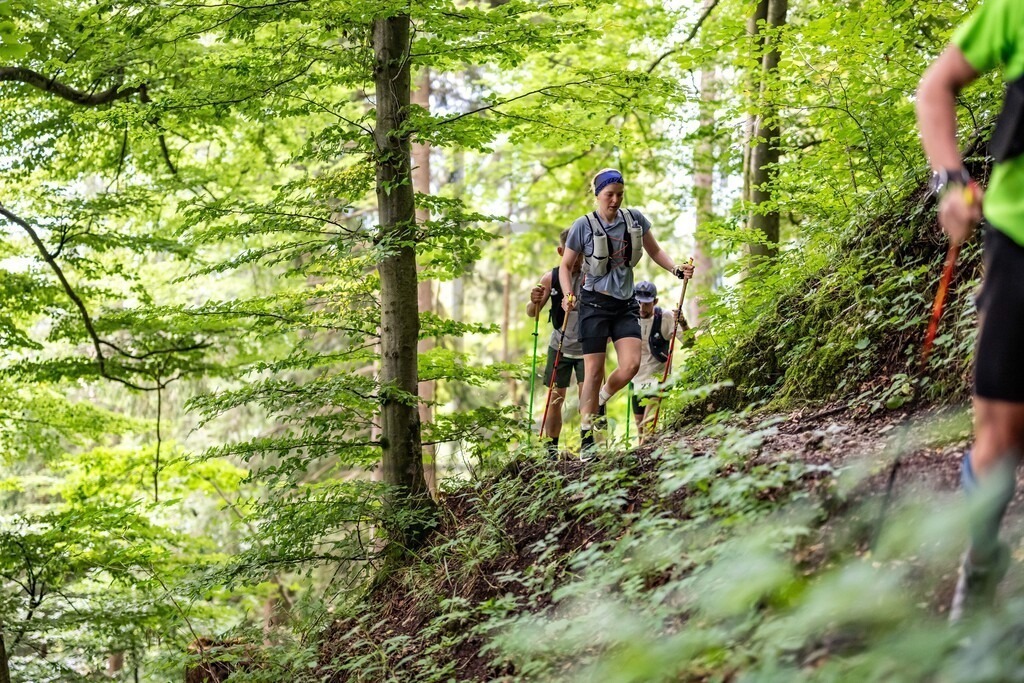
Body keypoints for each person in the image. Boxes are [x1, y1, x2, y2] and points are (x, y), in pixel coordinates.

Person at [916, 0, 1024, 621]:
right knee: (1002, 433)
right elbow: (937, 86)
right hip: (1018, 240)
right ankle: (980, 566)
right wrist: (952, 183)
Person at [560, 168, 694, 452]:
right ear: (598, 194)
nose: (615, 200)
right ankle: (587, 438)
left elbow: (655, 250)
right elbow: (565, 265)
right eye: (610, 194)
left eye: (620, 194)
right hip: (594, 304)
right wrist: (568, 294)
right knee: (593, 372)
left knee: (631, 365)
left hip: (624, 304)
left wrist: (676, 269)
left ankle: (598, 401)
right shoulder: (583, 225)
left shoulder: (634, 219)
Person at [527, 230, 586, 457]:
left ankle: (590, 448)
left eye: (581, 252)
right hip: (559, 345)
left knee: (588, 399)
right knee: (555, 398)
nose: (577, 258)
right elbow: (532, 312)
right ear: (561, 251)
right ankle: (551, 451)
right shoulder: (550, 278)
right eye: (572, 252)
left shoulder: (593, 275)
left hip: (588, 348)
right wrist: (533, 301)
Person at [630, 281, 690, 442]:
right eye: (638, 302)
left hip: (659, 378)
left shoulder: (666, 317)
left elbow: (690, 343)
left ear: (655, 301)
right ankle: (642, 456)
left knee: (649, 428)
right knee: (640, 431)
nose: (642, 307)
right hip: (636, 379)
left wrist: (683, 323)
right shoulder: (629, 317)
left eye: (646, 303)